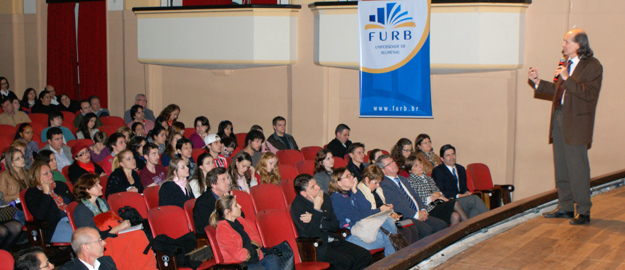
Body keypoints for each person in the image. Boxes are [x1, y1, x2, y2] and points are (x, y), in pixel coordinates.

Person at [528, 29, 602, 225]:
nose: (563, 45)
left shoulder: (593, 66)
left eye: (566, 41)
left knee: (578, 168)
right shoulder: (565, 64)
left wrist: (568, 78)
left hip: (577, 123)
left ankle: (583, 211)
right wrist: (537, 82)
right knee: (561, 166)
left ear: (578, 44)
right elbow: (557, 91)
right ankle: (565, 207)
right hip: (559, 118)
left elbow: (589, 94)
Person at [70, 175, 156, 270]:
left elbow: (113, 222)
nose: (101, 187)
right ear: (87, 190)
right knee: (137, 236)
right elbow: (92, 237)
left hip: (115, 235)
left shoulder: (102, 202)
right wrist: (118, 228)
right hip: (101, 242)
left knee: (139, 233)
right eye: (96, 185)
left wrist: (123, 225)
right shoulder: (81, 210)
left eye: (99, 184)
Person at [290, 174, 371, 270]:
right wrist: (317, 209)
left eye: (316, 184)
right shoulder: (297, 207)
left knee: (365, 256)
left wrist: (316, 218)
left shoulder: (324, 197)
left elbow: (334, 225)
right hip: (317, 247)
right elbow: (312, 233)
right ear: (304, 193)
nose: (318, 187)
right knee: (346, 261)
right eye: (313, 187)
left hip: (333, 239)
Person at [376, 155, 448, 240]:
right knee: (426, 230)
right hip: (405, 216)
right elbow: (397, 206)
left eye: (393, 162)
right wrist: (417, 215)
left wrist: (423, 210)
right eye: (389, 164)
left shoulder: (402, 179)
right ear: (383, 170)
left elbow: (415, 197)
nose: (394, 164)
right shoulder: (384, 184)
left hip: (418, 212)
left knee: (441, 225)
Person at [329, 168, 397, 256]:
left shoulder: (352, 193)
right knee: (391, 238)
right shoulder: (337, 198)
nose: (351, 177)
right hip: (351, 235)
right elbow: (359, 216)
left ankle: (393, 260)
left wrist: (355, 190)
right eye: (347, 176)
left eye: (351, 174)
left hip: (363, 230)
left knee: (389, 229)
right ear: (339, 183)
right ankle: (393, 261)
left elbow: (366, 208)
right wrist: (380, 210)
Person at [210, 195, 280, 269]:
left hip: (254, 257)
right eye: (236, 205)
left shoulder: (240, 220)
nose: (240, 206)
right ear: (228, 211)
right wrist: (252, 251)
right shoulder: (222, 228)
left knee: (273, 259)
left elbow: (255, 236)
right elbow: (235, 253)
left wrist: (254, 247)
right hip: (240, 263)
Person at [357, 165, 419, 244]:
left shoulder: (378, 189)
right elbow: (367, 214)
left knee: (412, 228)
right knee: (405, 232)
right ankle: (404, 255)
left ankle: (413, 253)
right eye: (375, 182)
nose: (378, 185)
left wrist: (391, 212)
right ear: (367, 179)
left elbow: (383, 206)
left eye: (379, 182)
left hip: (384, 219)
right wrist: (382, 210)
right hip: (373, 224)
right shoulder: (360, 192)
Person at [405, 154, 468, 225]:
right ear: (410, 170)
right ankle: (469, 226)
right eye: (415, 165)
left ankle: (455, 235)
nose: (420, 166)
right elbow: (418, 200)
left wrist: (439, 194)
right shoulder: (410, 181)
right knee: (455, 203)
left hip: (438, 205)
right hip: (428, 209)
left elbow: (438, 191)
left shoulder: (428, 178)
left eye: (420, 163)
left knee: (455, 215)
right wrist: (436, 196)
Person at [431, 145, 489, 218]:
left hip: (463, 200)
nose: (452, 157)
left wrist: (466, 192)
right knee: (474, 199)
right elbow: (440, 191)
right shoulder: (438, 171)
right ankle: (492, 219)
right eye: (448, 155)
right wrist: (458, 195)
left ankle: (471, 228)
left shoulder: (460, 169)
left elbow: (463, 187)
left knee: (475, 211)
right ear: (442, 159)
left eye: (453, 154)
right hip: (451, 201)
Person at [24, 161, 75, 243]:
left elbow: (73, 204)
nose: (50, 175)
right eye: (46, 174)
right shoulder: (32, 193)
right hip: (53, 226)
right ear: (36, 177)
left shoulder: (60, 185)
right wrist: (46, 193)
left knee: (91, 229)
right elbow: (39, 216)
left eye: (50, 172)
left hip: (71, 218)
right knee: (81, 236)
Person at [193, 167, 229, 236]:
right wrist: (226, 204)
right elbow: (210, 227)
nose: (228, 182)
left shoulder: (228, 195)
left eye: (227, 178)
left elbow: (240, 216)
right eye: (223, 180)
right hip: (214, 237)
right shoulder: (203, 203)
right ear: (213, 184)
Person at [0, 147, 28, 223]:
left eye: (22, 157)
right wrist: (19, 196)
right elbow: (3, 198)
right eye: (18, 159)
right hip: (15, 207)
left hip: (27, 203)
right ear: (11, 162)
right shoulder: (4, 176)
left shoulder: (26, 173)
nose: (22, 160)